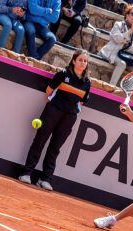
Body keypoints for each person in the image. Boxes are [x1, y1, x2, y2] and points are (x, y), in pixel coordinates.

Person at [18, 49, 90, 191]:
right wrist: (59, 104)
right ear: (74, 61)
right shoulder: (63, 74)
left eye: (85, 61)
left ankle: (45, 179)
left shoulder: (87, 82)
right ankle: (26, 173)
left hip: (70, 117)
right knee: (40, 141)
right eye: (80, 60)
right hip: (53, 111)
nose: (83, 63)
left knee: (55, 148)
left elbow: (82, 102)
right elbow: (49, 91)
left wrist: (69, 108)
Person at [99, 4, 133, 86]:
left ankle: (128, 91)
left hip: (127, 57)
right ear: (127, 15)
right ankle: (111, 87)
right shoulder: (118, 25)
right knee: (122, 64)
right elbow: (118, 39)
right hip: (113, 53)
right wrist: (130, 30)